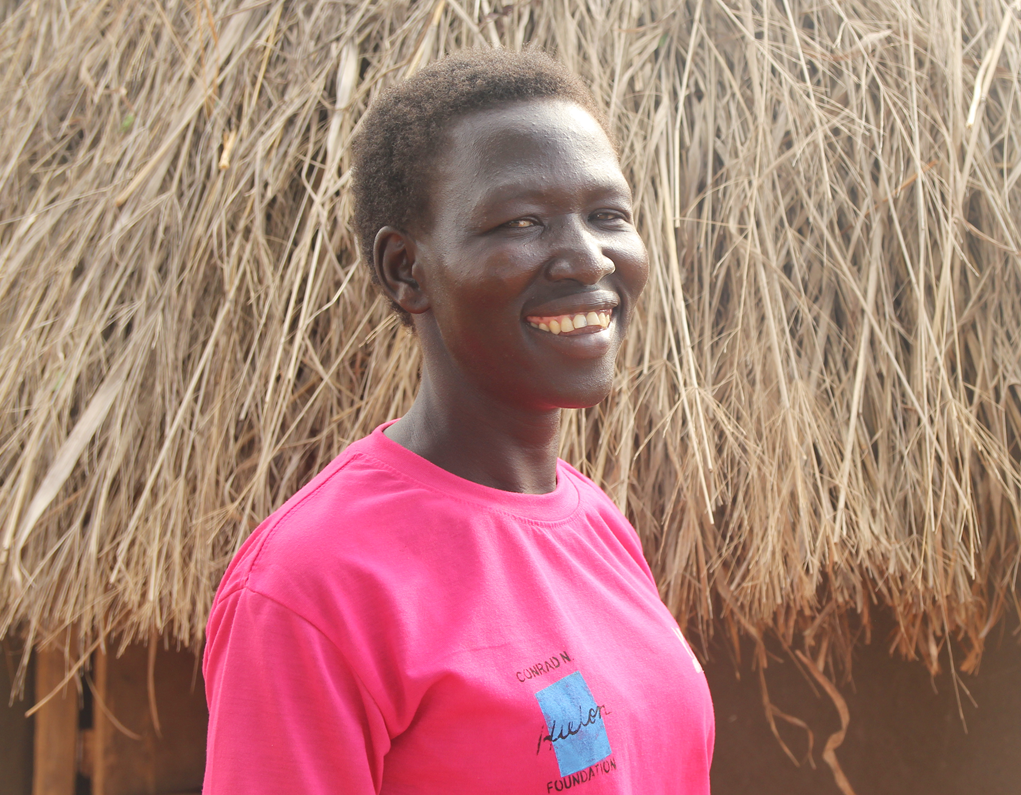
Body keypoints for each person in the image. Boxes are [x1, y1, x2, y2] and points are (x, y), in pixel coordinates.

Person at [202, 49, 714, 794]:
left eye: (609, 216)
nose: (585, 256)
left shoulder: (600, 527)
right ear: (407, 269)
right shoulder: (312, 587)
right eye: (523, 221)